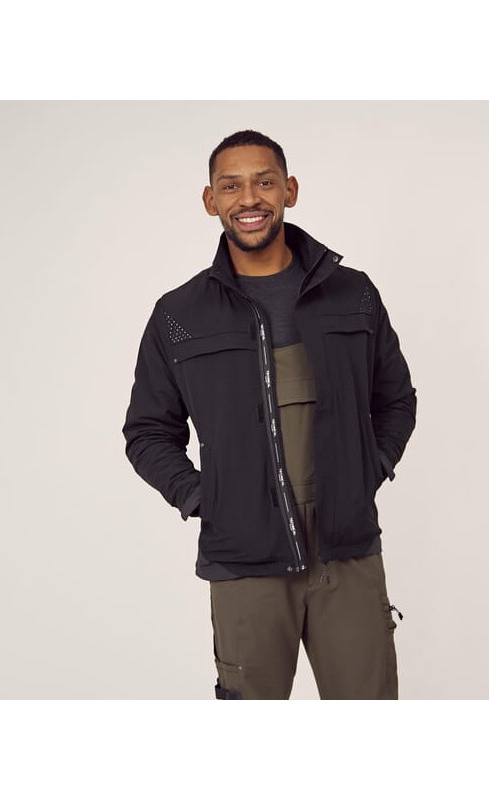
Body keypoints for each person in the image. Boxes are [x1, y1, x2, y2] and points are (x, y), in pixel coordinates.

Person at [122, 130, 417, 699]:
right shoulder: (179, 315)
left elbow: (396, 399)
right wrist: (205, 498)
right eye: (231, 186)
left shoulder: (353, 294)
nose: (249, 198)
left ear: (290, 190)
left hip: (347, 550)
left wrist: (368, 470)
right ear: (210, 200)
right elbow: (148, 431)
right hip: (244, 558)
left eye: (264, 181)